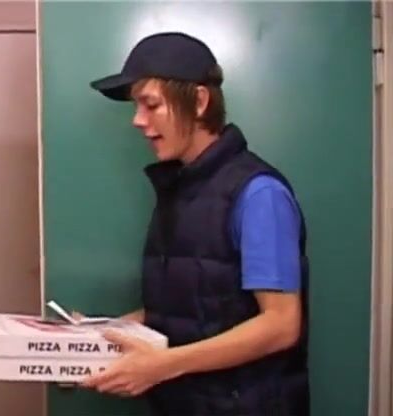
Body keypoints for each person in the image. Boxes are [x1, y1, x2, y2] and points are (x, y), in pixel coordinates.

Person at [80, 32, 310, 415]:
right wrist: (94, 337)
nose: (137, 120)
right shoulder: (179, 189)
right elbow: (183, 308)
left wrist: (163, 365)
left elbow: (281, 325)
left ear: (200, 101)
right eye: (137, 106)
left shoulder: (259, 194)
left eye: (151, 104)